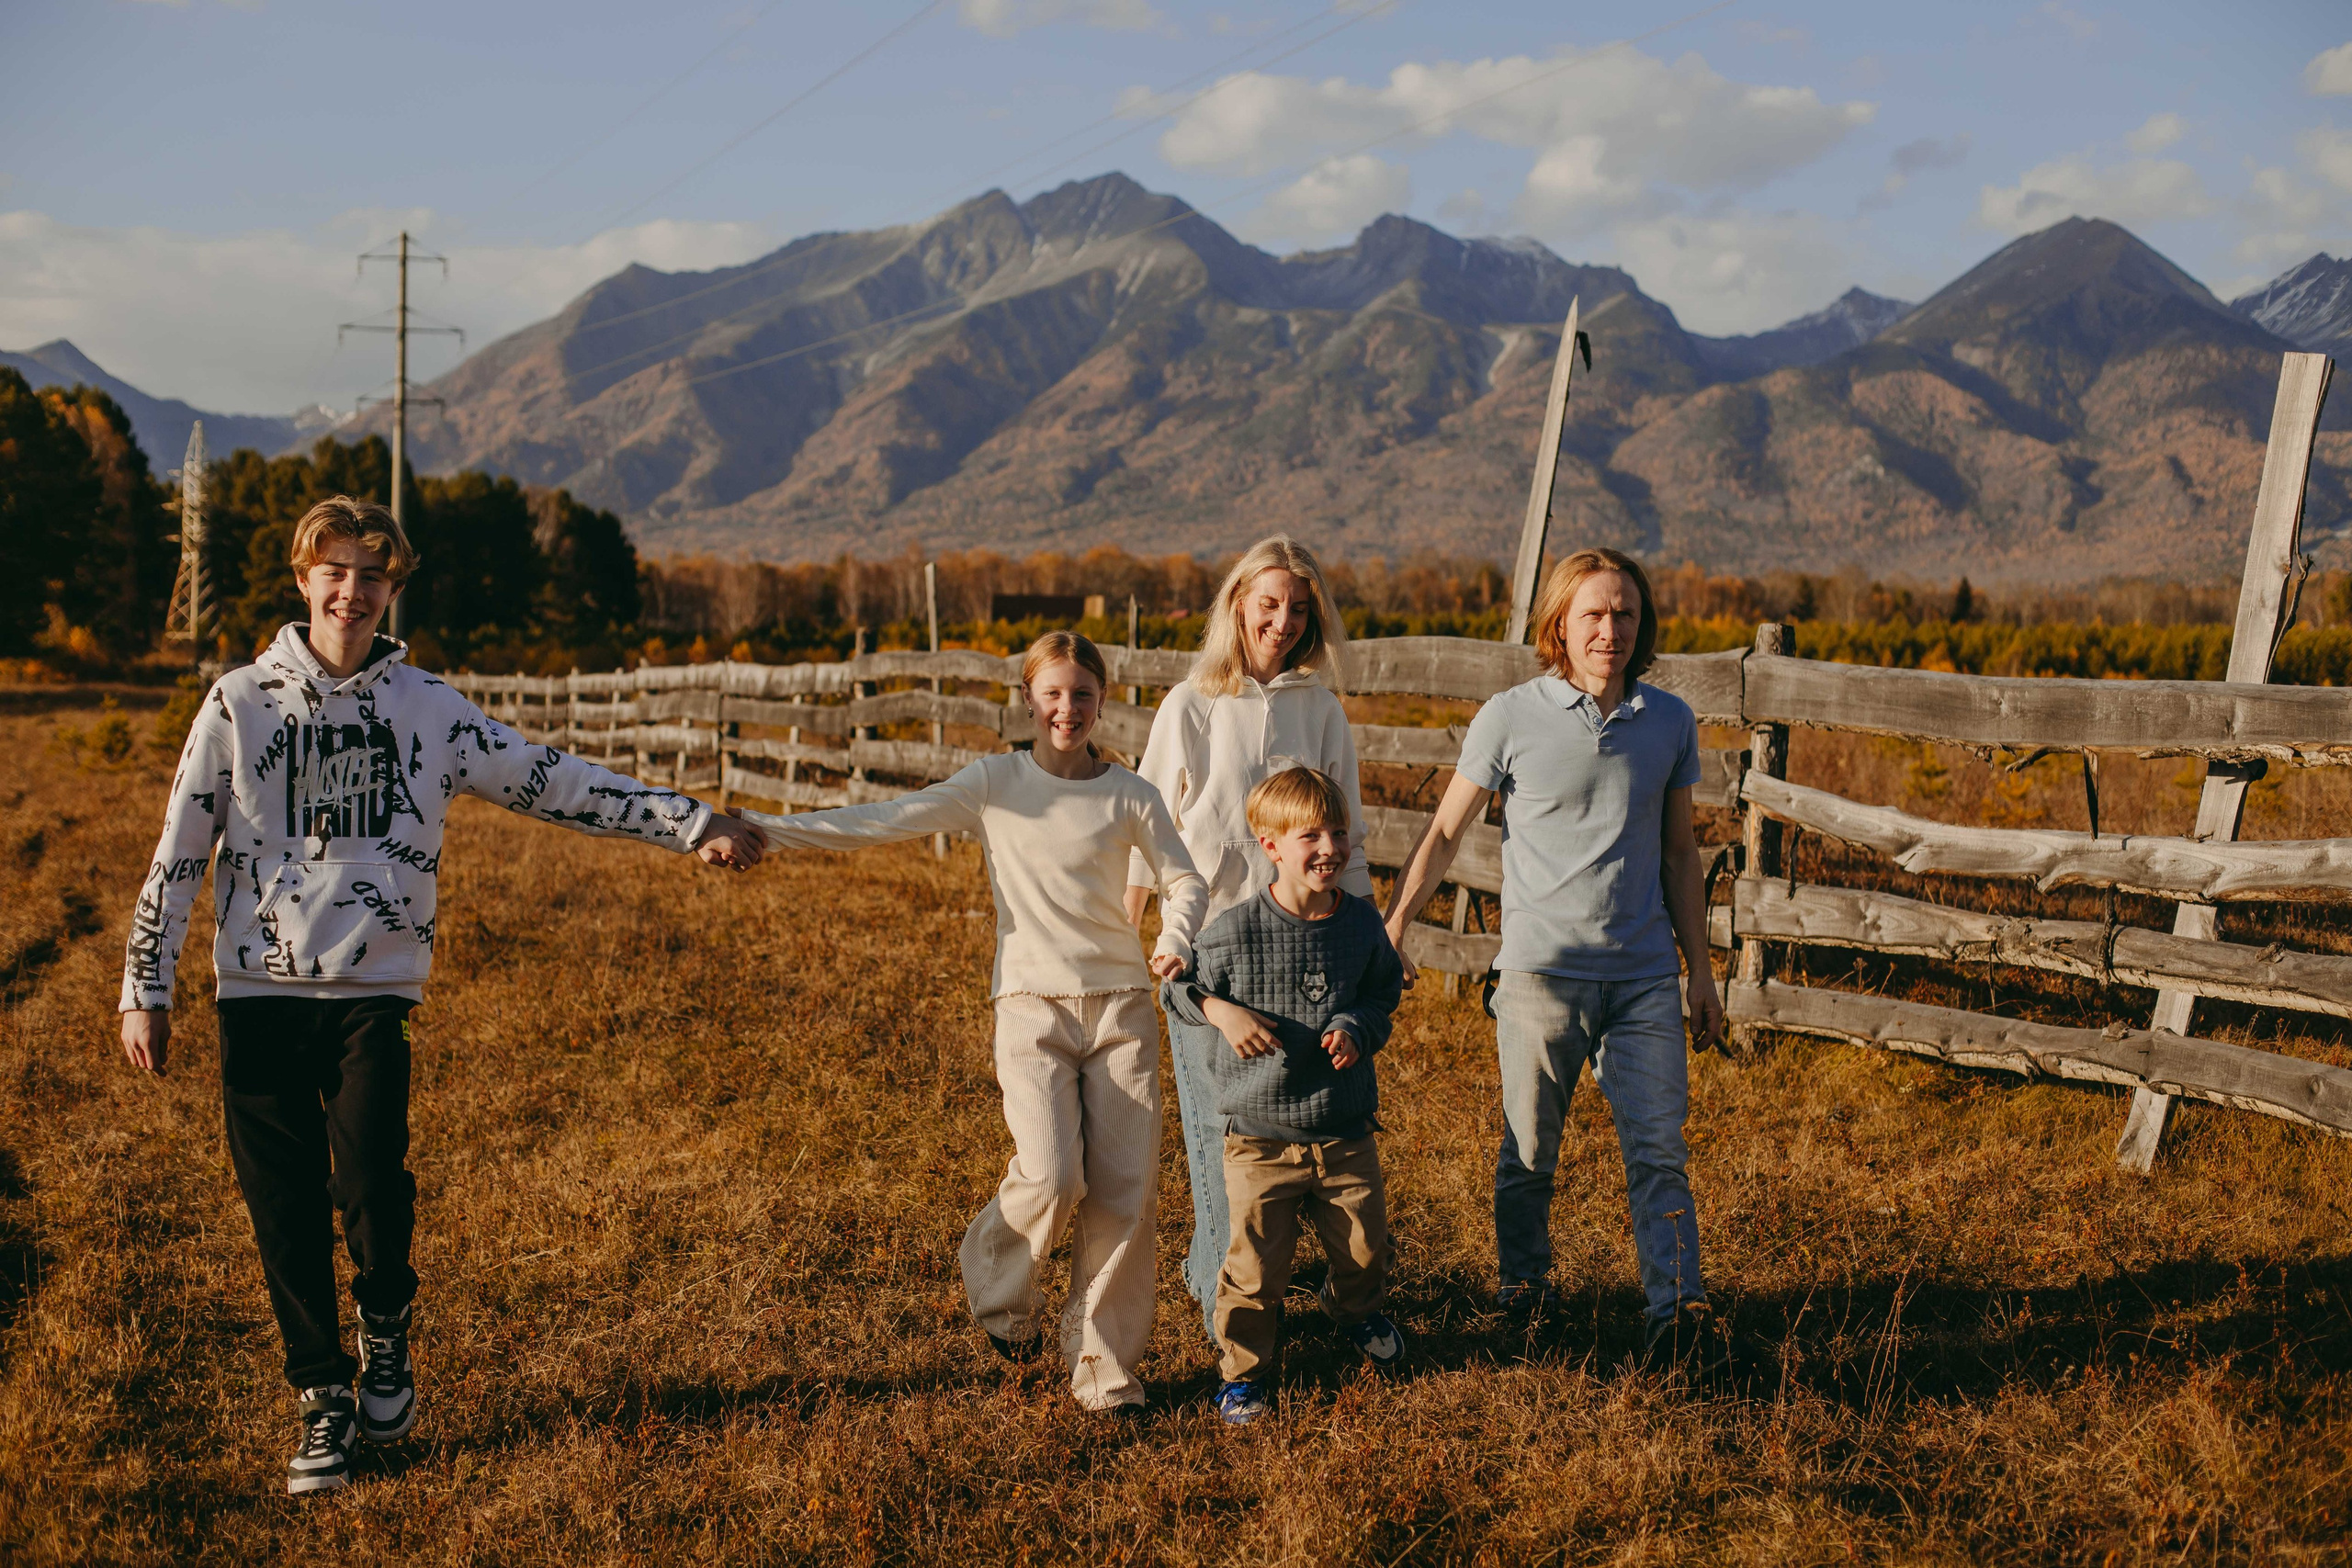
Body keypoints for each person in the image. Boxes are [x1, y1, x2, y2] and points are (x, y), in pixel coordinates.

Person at [118, 497, 766, 1496]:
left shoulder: (429, 708)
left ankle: (385, 1325)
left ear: (393, 589)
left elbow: (551, 778)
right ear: (302, 581)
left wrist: (687, 823)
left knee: (371, 1181)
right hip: (256, 995)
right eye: (333, 570)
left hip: (373, 991)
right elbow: (180, 850)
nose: (352, 589)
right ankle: (321, 1399)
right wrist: (142, 988)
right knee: (281, 1209)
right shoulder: (237, 703)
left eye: (372, 574)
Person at [742, 632, 1206, 1415]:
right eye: (1053, 694)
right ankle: (995, 1281)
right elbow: (887, 817)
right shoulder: (995, 782)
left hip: (1122, 1006)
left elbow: (1183, 877)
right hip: (1029, 1006)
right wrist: (769, 828)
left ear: (1101, 699)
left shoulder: (1130, 792)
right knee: (1055, 1174)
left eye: (1083, 694)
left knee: (1124, 1195)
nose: (1068, 709)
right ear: (1028, 698)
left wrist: (1173, 937)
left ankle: (1105, 1370)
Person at [1382, 547, 1728, 1373]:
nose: (1611, 630)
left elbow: (1681, 856)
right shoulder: (1509, 716)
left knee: (1658, 1151)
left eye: (1626, 615)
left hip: (1643, 979)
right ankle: (1526, 1292)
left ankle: (1677, 1313)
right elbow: (1445, 832)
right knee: (1530, 1151)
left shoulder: (1669, 722)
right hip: (1540, 974)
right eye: (1594, 616)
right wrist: (1395, 923)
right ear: (1560, 627)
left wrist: (1701, 971)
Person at [1125, 536, 1368, 1347]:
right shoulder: (1192, 704)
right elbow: (1148, 827)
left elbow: (1348, 837)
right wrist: (1132, 936)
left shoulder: (1319, 709)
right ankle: (1218, 1312)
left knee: (1294, 1141)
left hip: (1304, 961)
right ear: (1238, 604)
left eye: (1299, 608)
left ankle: (1279, 1298)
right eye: (1269, 603)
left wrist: (1371, 937)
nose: (1283, 620)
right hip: (1205, 958)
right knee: (1215, 1141)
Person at [1161, 767, 1406, 1426]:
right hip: (1261, 1138)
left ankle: (1351, 1310)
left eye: (1339, 832)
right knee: (1253, 1269)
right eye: (1310, 835)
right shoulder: (1234, 931)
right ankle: (1244, 1373)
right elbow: (1175, 992)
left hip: (1343, 1127)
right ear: (1270, 845)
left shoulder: (1360, 926)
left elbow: (1385, 991)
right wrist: (1221, 1011)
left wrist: (1357, 1026)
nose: (1329, 847)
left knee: (1365, 1249)